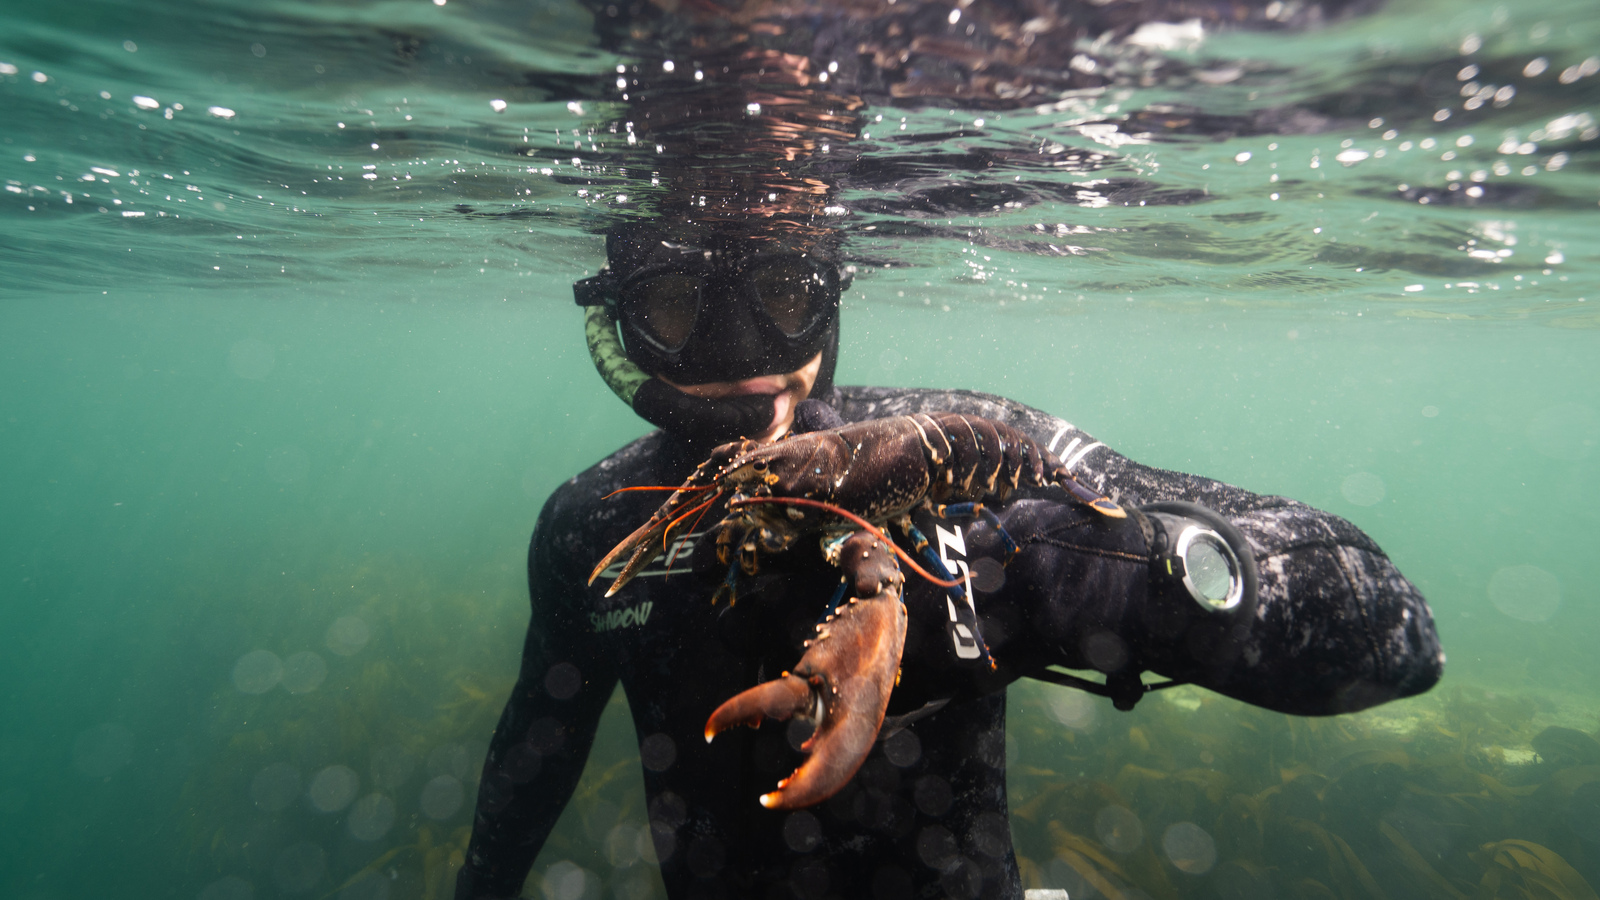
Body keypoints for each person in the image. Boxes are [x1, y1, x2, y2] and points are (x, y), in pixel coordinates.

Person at [455, 5, 1442, 898]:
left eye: (785, 296)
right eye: (675, 308)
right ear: (620, 332)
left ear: (832, 296)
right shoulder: (595, 518)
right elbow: (533, 753)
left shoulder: (974, 427)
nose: (743, 360)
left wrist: (1101, 577)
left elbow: (1397, 637)